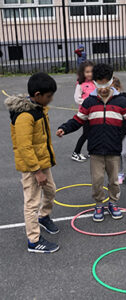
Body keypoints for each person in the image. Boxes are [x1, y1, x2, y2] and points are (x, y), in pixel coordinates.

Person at [56, 63, 126, 222]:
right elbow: (78, 119)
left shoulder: (121, 101)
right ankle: (99, 204)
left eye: (106, 83)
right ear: (94, 82)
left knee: (114, 181)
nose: (102, 88)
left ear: (111, 81)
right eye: (99, 83)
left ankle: (113, 203)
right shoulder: (89, 102)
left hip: (113, 149)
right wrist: (64, 128)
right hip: (95, 150)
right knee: (97, 181)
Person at [5, 73, 60, 253]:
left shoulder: (38, 108)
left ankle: (44, 217)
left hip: (42, 162)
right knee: (32, 202)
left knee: (51, 190)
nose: (51, 99)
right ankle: (34, 241)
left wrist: (44, 165)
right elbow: (24, 146)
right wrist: (37, 171)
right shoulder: (25, 116)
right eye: (49, 96)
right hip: (32, 167)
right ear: (37, 95)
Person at [72, 60, 95, 162]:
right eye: (87, 72)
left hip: (94, 112)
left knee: (93, 132)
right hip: (85, 113)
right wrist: (87, 102)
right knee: (86, 133)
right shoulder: (80, 84)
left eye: (91, 71)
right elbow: (77, 98)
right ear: (83, 73)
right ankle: (76, 152)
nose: (90, 74)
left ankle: (91, 150)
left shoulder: (95, 82)